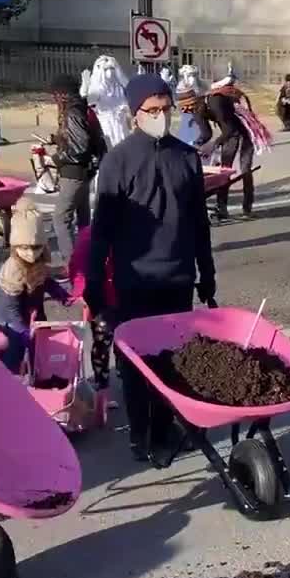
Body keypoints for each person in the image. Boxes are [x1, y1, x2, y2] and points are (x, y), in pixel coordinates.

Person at [87, 73, 216, 468]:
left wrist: (206, 273)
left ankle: (166, 427)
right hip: (135, 281)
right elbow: (102, 230)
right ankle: (141, 435)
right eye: (152, 110)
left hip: (177, 280)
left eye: (165, 108)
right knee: (137, 362)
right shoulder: (117, 161)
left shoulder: (187, 156)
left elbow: (199, 222)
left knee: (171, 359)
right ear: (134, 113)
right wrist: (94, 285)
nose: (161, 115)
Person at [0, 198, 73, 372]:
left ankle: (39, 383)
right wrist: (23, 331)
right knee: (11, 361)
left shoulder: (40, 259)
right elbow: (11, 309)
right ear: (15, 245)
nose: (31, 254)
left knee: (41, 354)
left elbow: (43, 279)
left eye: (35, 248)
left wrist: (57, 292)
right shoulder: (12, 270)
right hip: (10, 322)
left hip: (35, 313)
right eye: (24, 248)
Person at [48, 73, 107, 265]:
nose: (53, 99)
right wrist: (58, 140)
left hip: (73, 172)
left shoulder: (72, 113)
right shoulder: (83, 109)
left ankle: (73, 264)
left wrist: (56, 157)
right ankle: (87, 260)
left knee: (60, 218)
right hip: (86, 171)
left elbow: (80, 146)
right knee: (82, 220)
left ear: (62, 94)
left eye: (55, 94)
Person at [194, 71, 261, 219]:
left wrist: (214, 145)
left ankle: (247, 208)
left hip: (243, 133)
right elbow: (206, 134)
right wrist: (195, 146)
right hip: (229, 133)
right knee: (224, 172)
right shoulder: (195, 110)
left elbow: (230, 130)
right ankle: (222, 207)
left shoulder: (215, 102)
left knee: (244, 170)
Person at [68, 225, 116, 392]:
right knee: (104, 340)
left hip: (106, 295)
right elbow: (78, 265)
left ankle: (105, 381)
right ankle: (102, 385)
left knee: (106, 340)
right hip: (106, 297)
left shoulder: (87, 233)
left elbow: (75, 265)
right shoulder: (93, 235)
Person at [83, 55, 132, 150]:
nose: (109, 72)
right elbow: (89, 100)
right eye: (106, 69)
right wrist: (85, 85)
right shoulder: (98, 87)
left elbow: (129, 87)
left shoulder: (119, 87)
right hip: (107, 125)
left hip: (121, 124)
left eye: (112, 68)